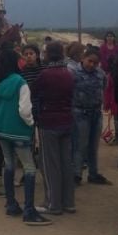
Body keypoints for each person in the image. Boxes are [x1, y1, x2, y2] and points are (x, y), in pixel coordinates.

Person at [0, 49, 52, 225]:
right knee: (29, 168)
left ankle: (11, 204)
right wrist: (30, 123)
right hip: (19, 130)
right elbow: (25, 110)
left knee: (9, 165)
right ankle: (29, 210)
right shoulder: (20, 82)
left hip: (1, 128)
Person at [34, 42, 76, 215]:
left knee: (50, 164)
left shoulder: (45, 74)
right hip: (67, 120)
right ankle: (68, 202)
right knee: (66, 163)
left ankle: (53, 203)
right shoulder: (69, 73)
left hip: (49, 121)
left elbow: (33, 92)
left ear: (48, 54)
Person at [71, 48, 111, 186]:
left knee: (93, 146)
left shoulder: (100, 73)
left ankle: (93, 174)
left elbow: (104, 87)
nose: (92, 65)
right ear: (83, 58)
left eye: (95, 62)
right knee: (80, 145)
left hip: (96, 113)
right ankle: (76, 174)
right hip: (80, 113)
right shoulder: (73, 73)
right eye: (90, 61)